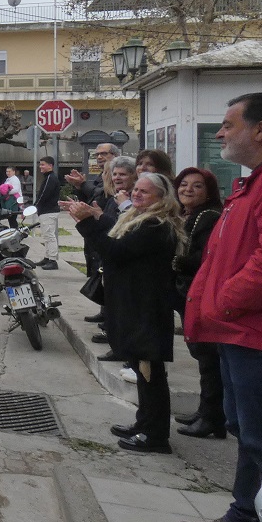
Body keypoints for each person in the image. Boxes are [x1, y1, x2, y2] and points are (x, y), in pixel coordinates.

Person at [177, 93, 262, 522]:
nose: (219, 134)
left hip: (258, 335)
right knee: (247, 433)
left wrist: (222, 303)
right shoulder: (253, 183)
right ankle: (243, 519)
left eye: (229, 124)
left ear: (260, 129)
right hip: (239, 333)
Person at [65, 172, 183, 453]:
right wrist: (97, 217)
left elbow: (115, 250)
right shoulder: (142, 219)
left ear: (161, 197)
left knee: (150, 370)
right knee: (142, 369)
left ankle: (155, 436)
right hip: (136, 303)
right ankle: (144, 422)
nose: (137, 195)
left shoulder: (155, 224)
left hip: (146, 307)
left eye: (145, 191)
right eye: (136, 190)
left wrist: (85, 223)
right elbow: (120, 237)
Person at [170, 167, 224, 439]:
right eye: (183, 184)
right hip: (188, 292)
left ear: (209, 192)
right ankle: (206, 411)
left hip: (199, 293)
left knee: (207, 356)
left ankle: (212, 417)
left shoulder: (207, 217)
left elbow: (202, 258)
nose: (188, 189)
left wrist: (173, 262)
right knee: (202, 356)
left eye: (197, 186)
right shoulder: (189, 215)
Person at [66, 143, 120, 322]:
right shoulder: (99, 176)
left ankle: (109, 318)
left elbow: (102, 195)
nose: (99, 157)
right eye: (97, 155)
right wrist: (80, 191)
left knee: (106, 273)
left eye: (104, 154)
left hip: (108, 232)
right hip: (98, 232)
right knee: (99, 269)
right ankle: (105, 313)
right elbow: (93, 198)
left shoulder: (116, 178)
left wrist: (83, 185)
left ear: (115, 155)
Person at [33, 157, 62, 269]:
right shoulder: (49, 177)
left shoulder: (50, 178)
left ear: (50, 166)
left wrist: (35, 206)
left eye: (43, 164)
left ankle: (53, 260)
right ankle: (47, 257)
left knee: (49, 236)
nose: (40, 167)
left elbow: (44, 194)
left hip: (48, 211)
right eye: (40, 164)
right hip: (46, 211)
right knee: (46, 236)